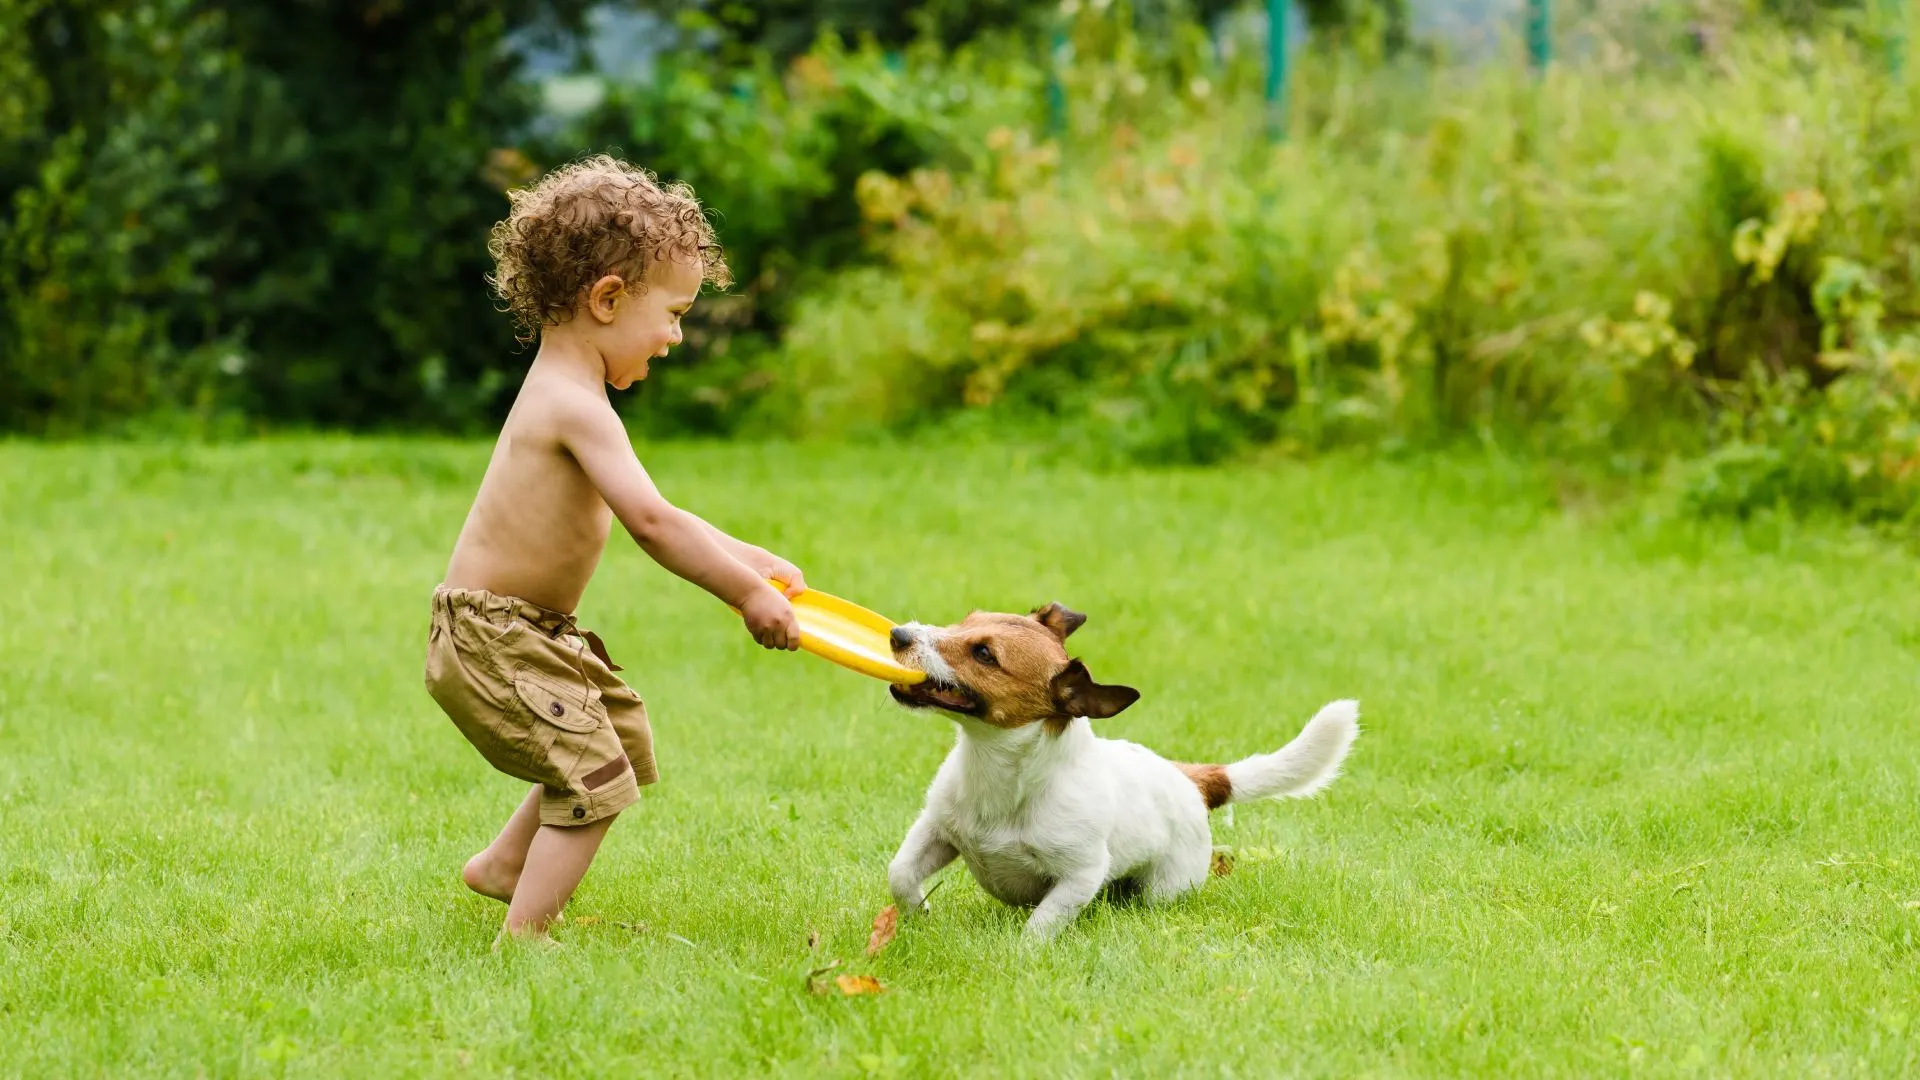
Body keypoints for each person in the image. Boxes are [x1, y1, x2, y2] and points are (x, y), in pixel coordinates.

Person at [424, 155, 804, 942]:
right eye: (673, 314)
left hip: (526, 631)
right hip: (495, 635)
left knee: (619, 733)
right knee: (592, 773)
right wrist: (745, 595)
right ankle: (525, 937)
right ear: (607, 299)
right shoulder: (574, 405)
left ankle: (502, 866)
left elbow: (660, 511)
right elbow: (653, 528)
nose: (675, 336)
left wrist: (748, 558)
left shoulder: (573, 395)